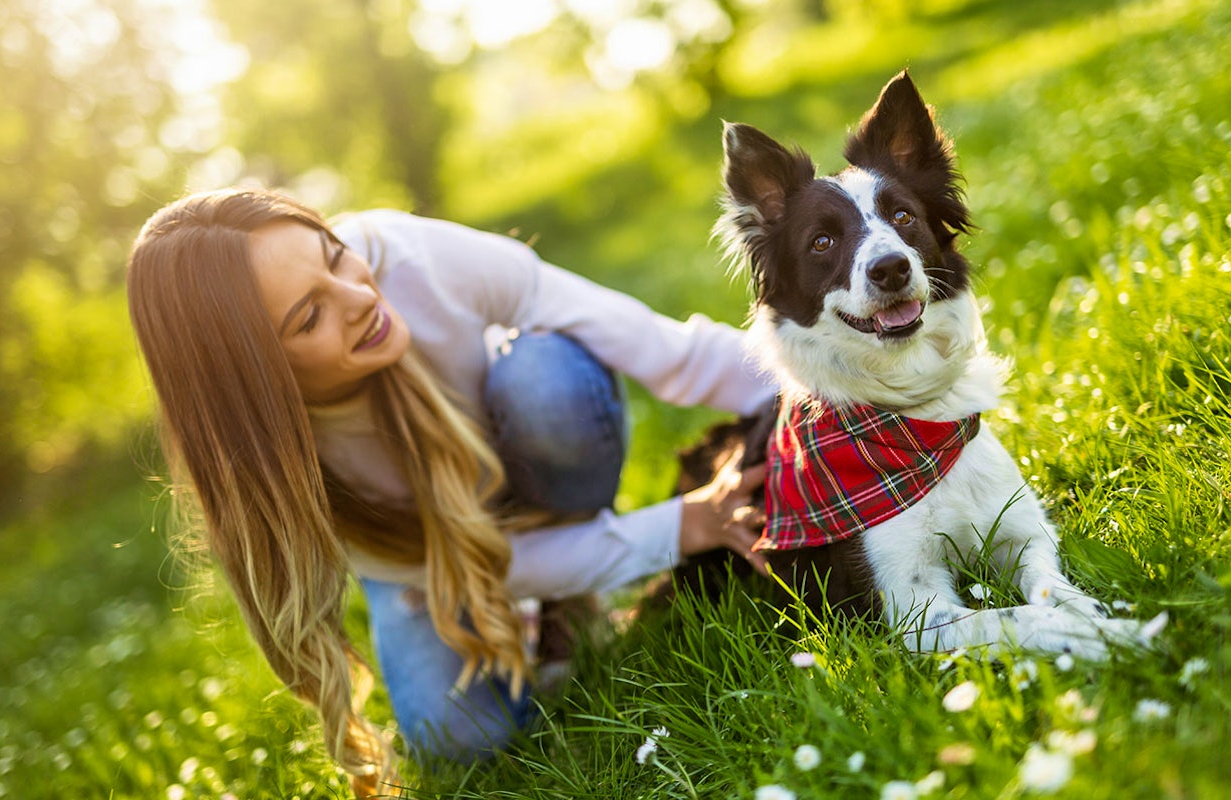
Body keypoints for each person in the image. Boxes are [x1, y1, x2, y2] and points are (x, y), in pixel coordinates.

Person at [126, 187, 776, 796]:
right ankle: (536, 616)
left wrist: (811, 385)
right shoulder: (284, 474)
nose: (357, 296)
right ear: (260, 381)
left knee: (544, 380)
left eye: (334, 257)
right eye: (310, 317)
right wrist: (681, 526)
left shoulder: (409, 259)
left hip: (525, 458)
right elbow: (492, 565)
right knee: (459, 745)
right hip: (432, 555)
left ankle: (566, 605)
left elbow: (668, 350)